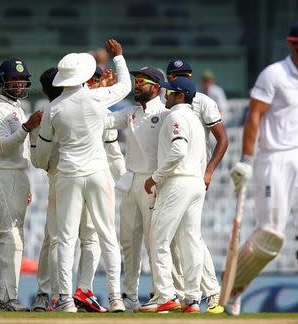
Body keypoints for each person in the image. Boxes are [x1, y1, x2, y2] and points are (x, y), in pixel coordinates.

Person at [229, 20, 298, 315]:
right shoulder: (273, 75)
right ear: (294, 45)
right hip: (273, 158)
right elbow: (254, 116)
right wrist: (247, 159)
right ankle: (230, 293)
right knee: (270, 235)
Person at [35, 39, 131, 312]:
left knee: (65, 238)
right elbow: (125, 87)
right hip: (99, 172)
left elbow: (42, 157)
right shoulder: (97, 97)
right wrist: (119, 58)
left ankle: (65, 299)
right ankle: (115, 298)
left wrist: (49, 164)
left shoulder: (53, 109)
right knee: (106, 236)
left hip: (67, 175)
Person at [166, 59, 228, 313]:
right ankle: (182, 294)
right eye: (176, 75)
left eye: (185, 75)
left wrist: (209, 172)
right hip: (171, 177)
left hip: (193, 176)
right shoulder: (167, 101)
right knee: (176, 239)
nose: (180, 79)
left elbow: (223, 140)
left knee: (190, 236)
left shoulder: (203, 101)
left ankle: (211, 292)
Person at [104, 66, 168, 312]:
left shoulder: (164, 113)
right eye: (136, 80)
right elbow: (101, 120)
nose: (137, 85)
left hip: (154, 183)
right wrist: (103, 90)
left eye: (142, 81)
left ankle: (158, 293)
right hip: (131, 182)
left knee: (154, 243)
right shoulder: (130, 112)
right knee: (129, 242)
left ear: (156, 87)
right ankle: (130, 295)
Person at [144, 77, 207, 313]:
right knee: (191, 241)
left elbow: (178, 150)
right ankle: (191, 298)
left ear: (180, 96)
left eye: (170, 93)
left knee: (158, 238)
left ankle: (165, 295)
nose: (166, 96)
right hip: (195, 182)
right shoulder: (196, 121)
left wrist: (155, 178)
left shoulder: (176, 116)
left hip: (177, 182)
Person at [0, 58, 43, 311]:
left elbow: (21, 152)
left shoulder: (17, 109)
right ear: (3, 82)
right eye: (13, 80)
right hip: (2, 173)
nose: (19, 84)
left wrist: (26, 183)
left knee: (12, 235)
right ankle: (6, 297)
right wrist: (26, 127)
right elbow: (2, 146)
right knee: (9, 237)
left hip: (17, 175)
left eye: (21, 80)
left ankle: (3, 296)